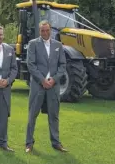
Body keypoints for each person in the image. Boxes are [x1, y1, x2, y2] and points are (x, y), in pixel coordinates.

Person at [25, 20, 67, 153]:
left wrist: (53, 80)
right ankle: (29, 143)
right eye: (42, 30)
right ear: (39, 31)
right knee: (32, 114)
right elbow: (30, 64)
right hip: (38, 85)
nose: (45, 32)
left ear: (50, 30)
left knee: (54, 115)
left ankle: (56, 143)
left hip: (53, 86)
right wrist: (42, 80)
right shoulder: (33, 44)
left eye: (47, 30)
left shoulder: (58, 45)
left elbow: (62, 65)